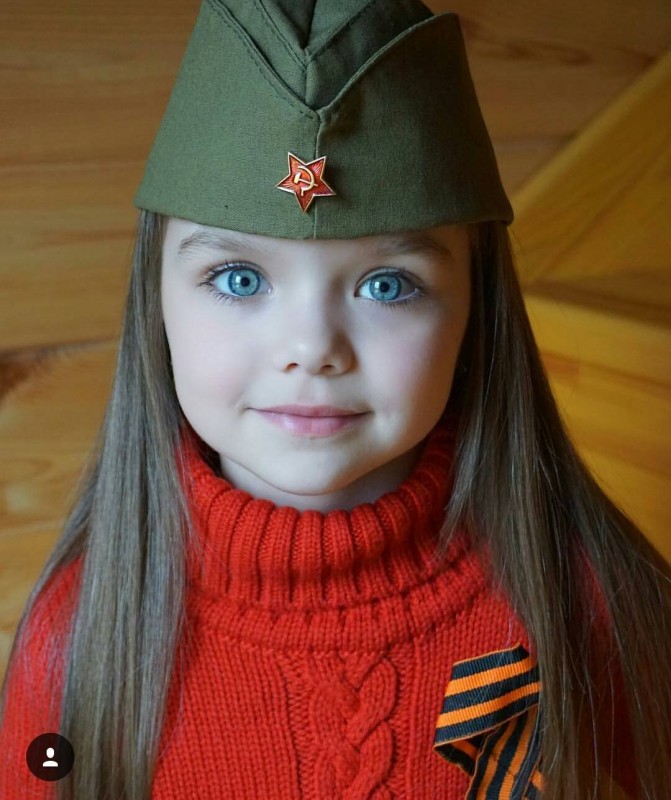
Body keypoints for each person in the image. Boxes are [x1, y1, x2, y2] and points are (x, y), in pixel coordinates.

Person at [1, 1, 669, 798]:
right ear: (157, 306)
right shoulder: (73, 637)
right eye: (238, 279)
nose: (311, 348)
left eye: (387, 284)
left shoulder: (598, 602)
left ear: (475, 312)